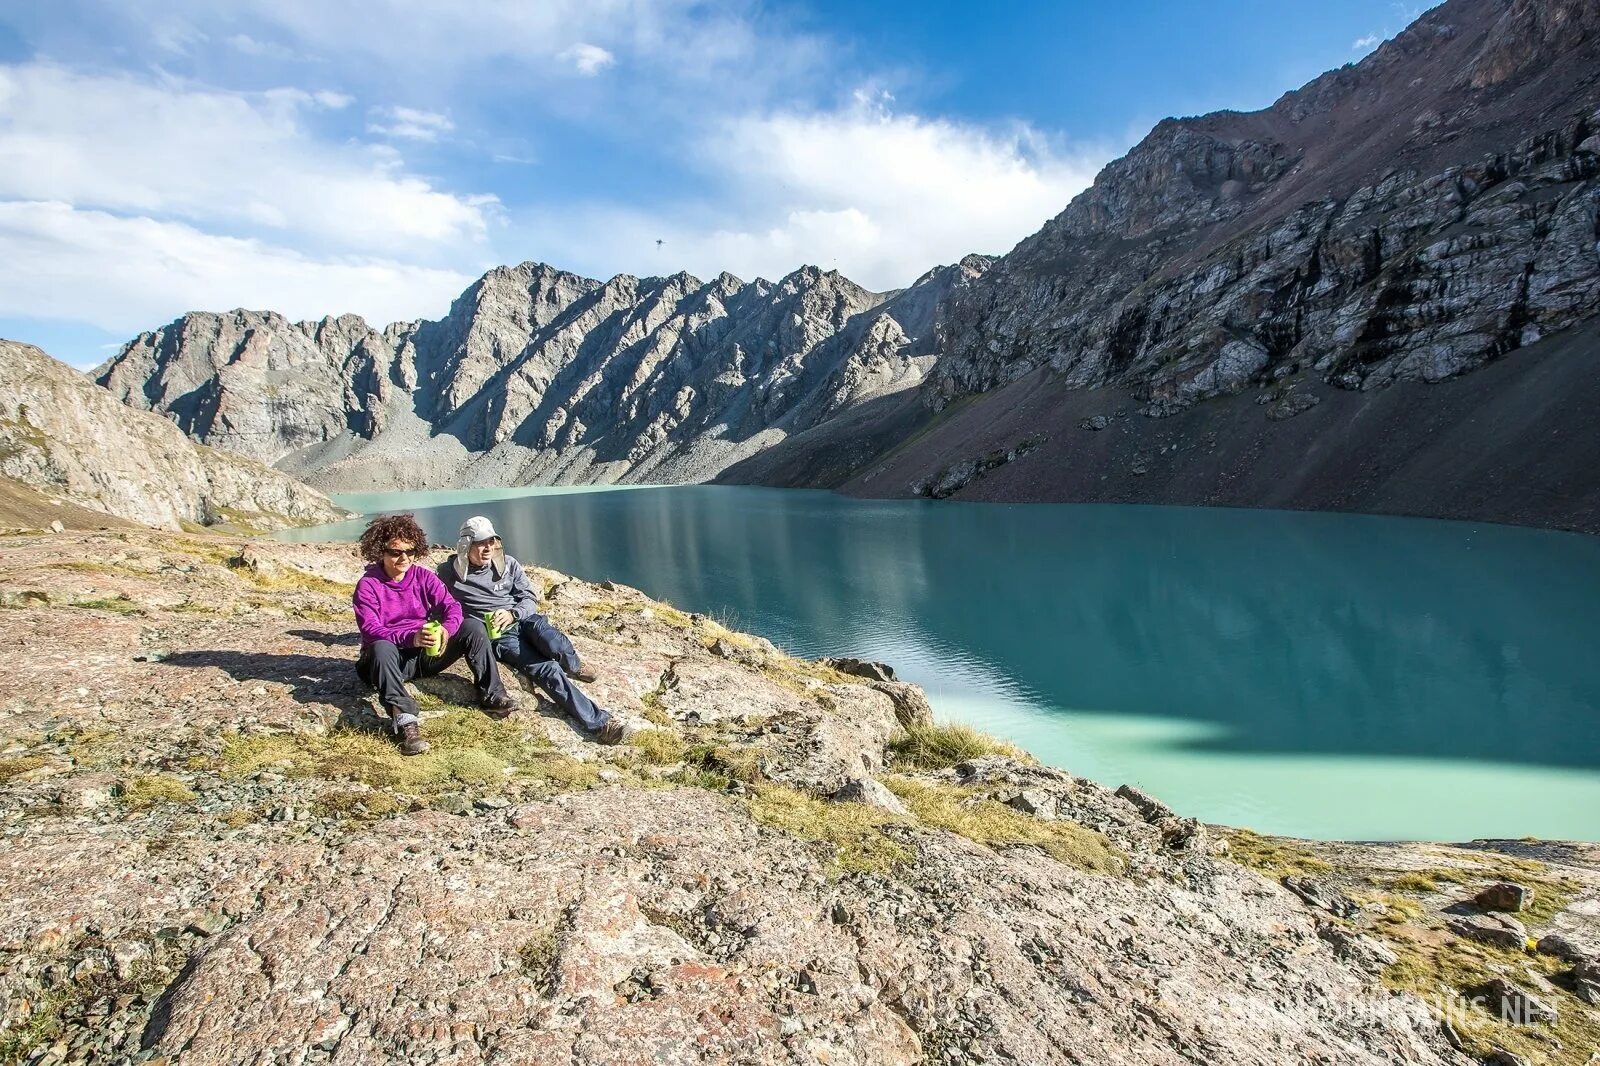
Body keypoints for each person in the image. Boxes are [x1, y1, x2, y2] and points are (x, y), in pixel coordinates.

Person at [438, 515, 625, 745]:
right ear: (466, 545)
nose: (487, 548)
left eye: (491, 542)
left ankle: (575, 665)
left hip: (522, 620)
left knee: (547, 636)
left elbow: (528, 597)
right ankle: (601, 724)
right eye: (480, 543)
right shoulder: (449, 573)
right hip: (500, 636)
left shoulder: (507, 564)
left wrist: (512, 613)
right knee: (547, 670)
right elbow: (439, 606)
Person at [352, 513, 518, 756]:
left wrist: (444, 630)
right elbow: (370, 629)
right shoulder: (369, 585)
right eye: (396, 552)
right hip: (384, 663)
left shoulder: (423, 577)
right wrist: (411, 637)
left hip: (422, 656)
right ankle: (406, 723)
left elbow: (452, 607)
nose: (404, 558)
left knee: (472, 626)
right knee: (380, 646)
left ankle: (493, 695)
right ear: (381, 551)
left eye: (410, 551)